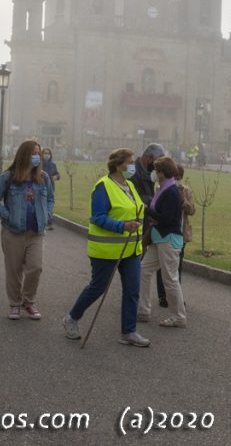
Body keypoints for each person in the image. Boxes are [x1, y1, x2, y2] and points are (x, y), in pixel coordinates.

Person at [62, 148, 148, 347]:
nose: (133, 165)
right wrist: (123, 226)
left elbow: (137, 210)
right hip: (106, 250)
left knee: (132, 290)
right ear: (119, 165)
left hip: (130, 250)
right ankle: (71, 318)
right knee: (97, 288)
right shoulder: (103, 186)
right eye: (130, 161)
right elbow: (98, 218)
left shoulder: (130, 185)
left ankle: (129, 331)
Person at [0, 140, 54, 321]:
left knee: (35, 268)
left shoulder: (44, 177)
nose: (37, 157)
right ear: (24, 155)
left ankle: (29, 301)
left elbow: (50, 199)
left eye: (38, 153)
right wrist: (6, 215)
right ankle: (15, 304)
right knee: (14, 270)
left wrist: (48, 214)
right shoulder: (8, 177)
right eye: (33, 153)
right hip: (13, 232)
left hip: (36, 232)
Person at [138, 156, 187, 328]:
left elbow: (166, 219)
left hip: (168, 239)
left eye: (157, 170)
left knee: (170, 280)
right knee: (144, 270)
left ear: (163, 172)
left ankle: (179, 317)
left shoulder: (172, 191)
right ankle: (143, 310)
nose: (154, 173)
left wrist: (148, 211)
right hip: (159, 238)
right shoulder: (162, 188)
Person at [132, 143, 172, 308]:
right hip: (136, 223)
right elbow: (134, 197)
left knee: (148, 265)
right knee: (136, 263)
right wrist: (154, 201)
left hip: (151, 222)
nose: (157, 167)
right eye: (156, 162)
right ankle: (135, 297)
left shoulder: (148, 172)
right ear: (148, 158)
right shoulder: (132, 173)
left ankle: (160, 298)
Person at [40, 147, 59, 231]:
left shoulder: (53, 165)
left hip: (51, 187)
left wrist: (56, 177)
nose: (46, 155)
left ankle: (49, 222)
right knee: (41, 204)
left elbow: (58, 175)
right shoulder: (39, 164)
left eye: (48, 153)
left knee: (50, 204)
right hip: (41, 187)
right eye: (45, 153)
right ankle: (43, 221)